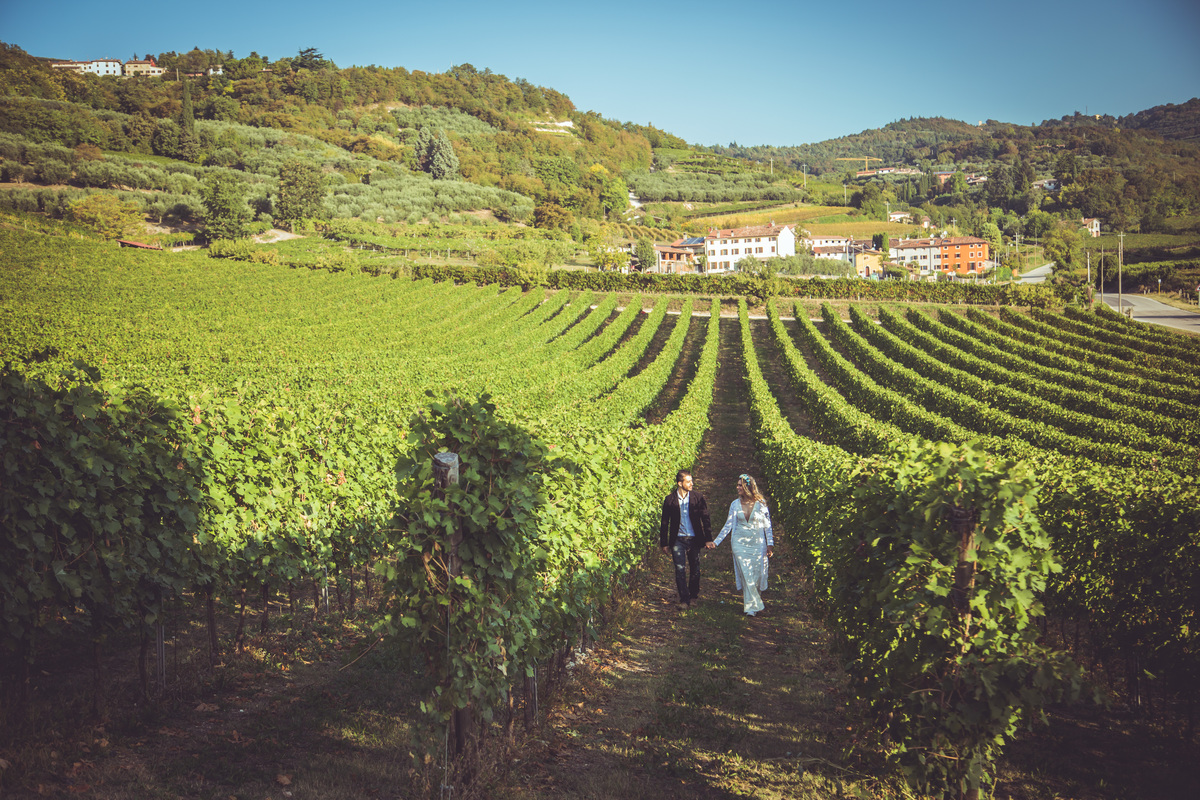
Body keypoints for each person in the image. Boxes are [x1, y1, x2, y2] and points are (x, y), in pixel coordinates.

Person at [707, 474, 773, 617]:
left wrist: (770, 544)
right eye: (737, 485)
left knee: (757, 574)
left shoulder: (761, 504)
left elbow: (767, 526)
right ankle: (751, 608)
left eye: (740, 485)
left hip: (757, 543)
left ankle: (755, 602)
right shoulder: (735, 504)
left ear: (748, 487)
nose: (737, 487)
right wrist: (716, 542)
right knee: (746, 573)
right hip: (739, 543)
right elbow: (728, 525)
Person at [660, 470, 712, 610]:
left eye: (691, 481)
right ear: (680, 483)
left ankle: (693, 596)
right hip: (678, 539)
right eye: (688, 481)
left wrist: (708, 539)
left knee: (695, 568)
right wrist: (664, 543)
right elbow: (665, 522)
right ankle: (684, 599)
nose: (691, 484)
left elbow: (705, 518)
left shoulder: (698, 498)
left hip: (694, 538)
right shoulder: (670, 500)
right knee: (680, 569)